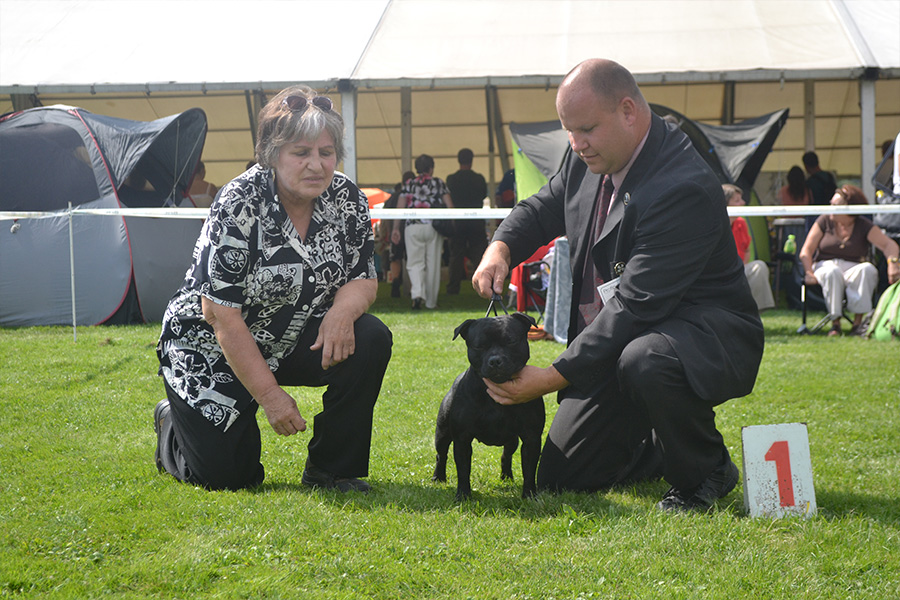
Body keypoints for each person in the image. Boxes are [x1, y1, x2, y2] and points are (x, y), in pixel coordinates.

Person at [472, 59, 764, 512]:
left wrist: (550, 377)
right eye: (569, 131)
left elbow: (633, 306)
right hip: (621, 341)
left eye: (586, 129)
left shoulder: (681, 186)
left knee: (646, 359)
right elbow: (544, 206)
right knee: (560, 478)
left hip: (703, 336)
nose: (576, 143)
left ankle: (706, 469)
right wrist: (501, 247)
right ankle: (657, 440)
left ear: (628, 110)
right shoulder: (587, 152)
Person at [155, 85, 393, 492]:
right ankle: (172, 427)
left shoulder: (348, 199)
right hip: (212, 345)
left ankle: (330, 470)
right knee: (230, 480)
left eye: (326, 152)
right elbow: (220, 315)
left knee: (370, 336)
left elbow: (363, 276)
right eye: (301, 153)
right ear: (272, 154)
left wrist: (341, 313)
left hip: (291, 335)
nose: (316, 165)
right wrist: (270, 396)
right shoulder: (238, 202)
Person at [798, 184, 900, 336]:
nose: (830, 208)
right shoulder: (824, 221)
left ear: (850, 209)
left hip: (854, 267)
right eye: (830, 204)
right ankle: (836, 324)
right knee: (832, 272)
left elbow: (889, 245)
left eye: (836, 205)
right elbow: (806, 251)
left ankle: (858, 324)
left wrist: (893, 264)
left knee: (867, 269)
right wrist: (808, 272)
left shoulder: (863, 225)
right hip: (826, 265)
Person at [391, 154, 454, 310]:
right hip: (433, 226)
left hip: (412, 226)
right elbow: (450, 206)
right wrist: (452, 225)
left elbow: (400, 207)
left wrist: (395, 229)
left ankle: (417, 294)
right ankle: (431, 302)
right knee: (432, 264)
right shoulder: (438, 183)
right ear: (431, 168)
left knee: (414, 263)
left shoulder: (408, 184)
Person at [723, 184, 776, 311]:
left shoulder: (741, 222)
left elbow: (746, 250)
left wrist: (740, 268)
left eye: (741, 199)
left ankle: (756, 311)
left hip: (739, 269)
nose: (743, 203)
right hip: (720, 274)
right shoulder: (714, 225)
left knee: (759, 267)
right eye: (737, 201)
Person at [446, 148, 489, 295]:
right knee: (480, 255)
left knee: (456, 256)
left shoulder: (451, 179)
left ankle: (453, 287)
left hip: (458, 221)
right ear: (472, 160)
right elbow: (483, 195)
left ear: (458, 160)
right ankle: (482, 285)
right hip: (476, 220)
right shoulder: (479, 179)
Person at [382, 170, 416, 298]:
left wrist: (389, 233)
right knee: (412, 261)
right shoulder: (414, 195)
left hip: (395, 233)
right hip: (409, 231)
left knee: (395, 258)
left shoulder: (393, 197)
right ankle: (412, 289)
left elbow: (385, 218)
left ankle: (395, 281)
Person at [803, 151, 837, 232]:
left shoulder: (810, 182)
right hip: (831, 213)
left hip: (816, 215)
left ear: (806, 166)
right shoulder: (829, 176)